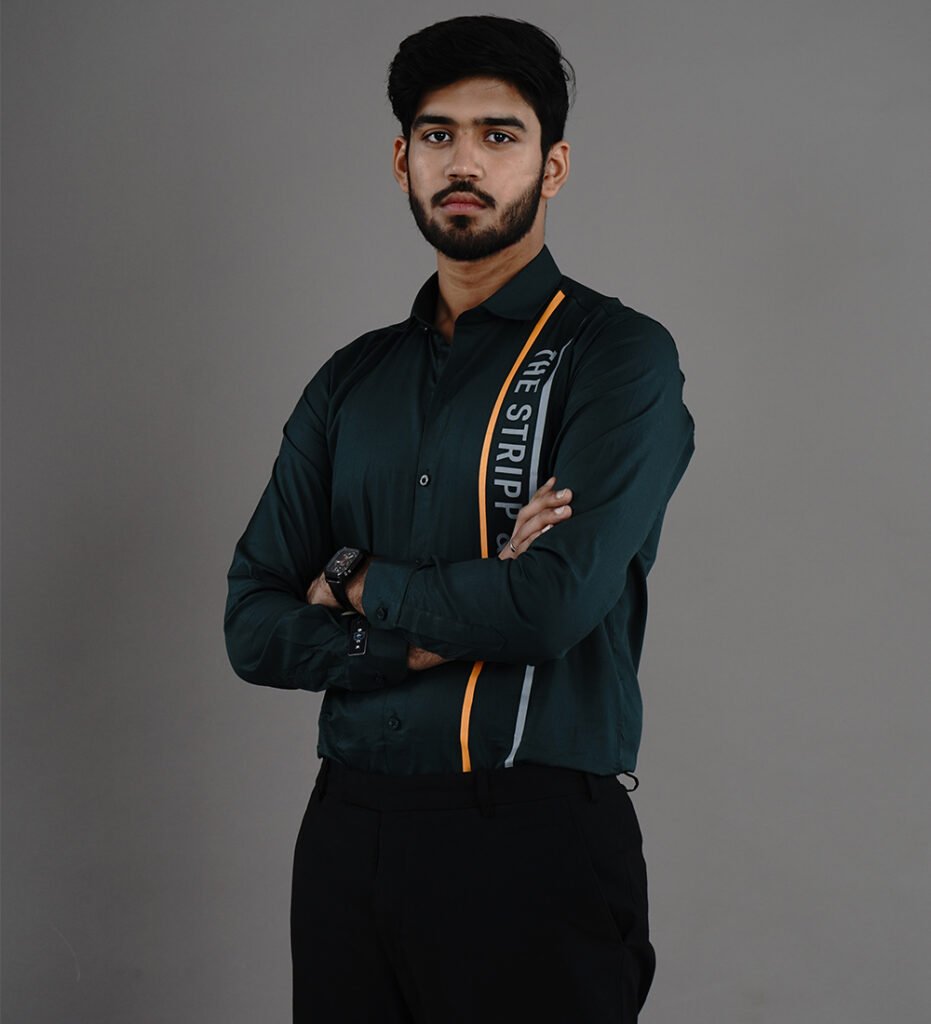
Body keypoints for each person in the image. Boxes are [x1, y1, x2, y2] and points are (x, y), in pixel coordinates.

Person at [224, 14, 695, 1023]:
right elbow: (252, 626)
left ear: (551, 164)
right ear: (402, 160)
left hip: (528, 831)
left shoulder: (615, 357)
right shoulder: (350, 381)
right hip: (347, 829)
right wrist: (417, 637)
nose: (464, 162)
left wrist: (350, 578)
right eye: (438, 135)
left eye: (498, 134)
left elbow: (546, 607)